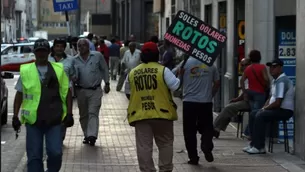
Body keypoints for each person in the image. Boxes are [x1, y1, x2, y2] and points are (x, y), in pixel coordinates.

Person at [12, 39, 73, 172]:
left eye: (44, 51)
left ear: (48, 53)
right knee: (34, 157)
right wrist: (15, 116)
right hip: (34, 121)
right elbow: (19, 95)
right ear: (34, 53)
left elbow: (67, 92)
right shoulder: (26, 70)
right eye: (38, 51)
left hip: (54, 120)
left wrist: (69, 114)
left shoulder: (59, 70)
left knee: (56, 153)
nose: (41, 55)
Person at [126, 42, 180, 172]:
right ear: (157, 54)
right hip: (163, 114)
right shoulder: (163, 70)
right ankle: (165, 169)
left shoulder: (133, 73)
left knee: (144, 146)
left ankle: (147, 170)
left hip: (141, 115)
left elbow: (128, 92)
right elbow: (175, 86)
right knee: (165, 143)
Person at [173, 56, 220, 165]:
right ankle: (207, 145)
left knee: (189, 131)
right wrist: (211, 95)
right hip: (206, 102)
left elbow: (178, 85)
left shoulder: (184, 63)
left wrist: (181, 74)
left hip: (189, 102)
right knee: (207, 126)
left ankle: (193, 157)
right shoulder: (211, 64)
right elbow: (217, 83)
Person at [244, 59, 294, 154]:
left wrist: (264, 109)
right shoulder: (275, 81)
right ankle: (253, 144)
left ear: (280, 68)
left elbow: (278, 102)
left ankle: (260, 147)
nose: (271, 69)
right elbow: (270, 98)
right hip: (276, 108)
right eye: (270, 67)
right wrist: (263, 107)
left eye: (274, 67)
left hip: (284, 111)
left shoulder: (282, 81)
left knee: (260, 116)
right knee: (254, 113)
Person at [73, 38, 110, 146]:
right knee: (83, 115)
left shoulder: (97, 56)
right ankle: (87, 134)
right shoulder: (75, 60)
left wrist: (107, 83)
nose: (81, 48)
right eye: (79, 46)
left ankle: (92, 136)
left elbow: (104, 69)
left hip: (95, 90)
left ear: (88, 46)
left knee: (93, 112)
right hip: (81, 91)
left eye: (83, 45)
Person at [213, 58, 251, 138]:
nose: (243, 67)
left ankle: (215, 127)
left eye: (245, 65)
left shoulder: (249, 75)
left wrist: (237, 99)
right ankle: (217, 129)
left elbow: (246, 91)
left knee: (229, 108)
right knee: (230, 107)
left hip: (249, 101)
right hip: (245, 99)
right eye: (242, 65)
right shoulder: (245, 75)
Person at [49, 37, 76, 141]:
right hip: (50, 94)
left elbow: (73, 75)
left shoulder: (70, 60)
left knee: (63, 119)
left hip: (65, 94)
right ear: (54, 47)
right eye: (57, 46)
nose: (59, 49)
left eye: (61, 46)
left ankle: (59, 138)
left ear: (64, 48)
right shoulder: (47, 59)